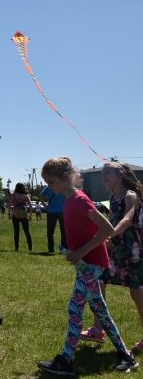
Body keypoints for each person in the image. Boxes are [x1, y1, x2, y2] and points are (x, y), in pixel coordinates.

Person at [36, 157, 138, 376]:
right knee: (101, 312)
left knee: (75, 308)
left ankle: (66, 360)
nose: (49, 187)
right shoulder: (68, 199)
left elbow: (107, 229)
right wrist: (73, 251)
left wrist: (82, 251)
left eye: (51, 182)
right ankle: (126, 356)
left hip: (93, 264)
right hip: (84, 264)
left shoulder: (80, 200)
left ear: (65, 178)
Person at [81, 162, 143, 353]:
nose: (103, 174)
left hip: (132, 251)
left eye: (108, 171)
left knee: (137, 294)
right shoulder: (112, 196)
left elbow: (126, 220)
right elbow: (112, 221)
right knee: (98, 284)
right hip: (115, 249)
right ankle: (98, 329)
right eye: (102, 172)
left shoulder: (130, 196)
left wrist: (110, 234)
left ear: (121, 174)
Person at [42, 183, 67, 254]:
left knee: (50, 232)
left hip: (51, 211)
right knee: (64, 231)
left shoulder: (49, 186)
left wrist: (44, 205)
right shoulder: (62, 186)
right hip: (62, 211)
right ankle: (63, 249)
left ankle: (51, 249)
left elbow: (41, 195)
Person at [10, 183, 33, 252]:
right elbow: (31, 207)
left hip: (15, 215)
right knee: (27, 232)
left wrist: (8, 213)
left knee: (16, 232)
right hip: (24, 215)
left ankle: (16, 248)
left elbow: (9, 205)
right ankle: (30, 248)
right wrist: (30, 215)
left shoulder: (13, 195)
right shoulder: (26, 196)